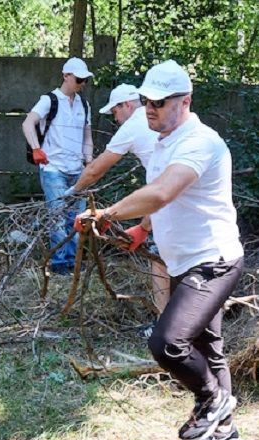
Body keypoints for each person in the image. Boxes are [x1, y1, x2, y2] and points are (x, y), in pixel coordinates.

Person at [74, 60, 244, 440]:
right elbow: (166, 201)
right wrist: (142, 228)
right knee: (207, 346)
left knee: (167, 342)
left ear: (185, 101)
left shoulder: (200, 141)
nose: (150, 108)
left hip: (213, 260)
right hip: (185, 259)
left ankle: (213, 400)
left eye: (160, 102)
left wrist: (108, 213)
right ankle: (224, 431)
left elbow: (163, 192)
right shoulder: (166, 142)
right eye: (146, 100)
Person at [70, 83, 171, 318]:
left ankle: (164, 321)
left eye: (115, 112)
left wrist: (73, 192)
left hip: (171, 198)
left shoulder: (135, 123)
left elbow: (96, 169)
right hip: (176, 195)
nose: (115, 119)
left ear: (127, 105)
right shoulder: (162, 124)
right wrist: (145, 226)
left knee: (160, 260)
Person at [22, 56, 94, 274]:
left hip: (77, 170)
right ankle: (61, 264)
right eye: (79, 79)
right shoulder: (49, 100)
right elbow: (28, 123)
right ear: (66, 76)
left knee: (77, 219)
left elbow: (87, 136)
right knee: (56, 217)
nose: (82, 84)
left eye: (85, 81)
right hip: (54, 169)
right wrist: (36, 148)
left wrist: (89, 163)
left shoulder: (84, 104)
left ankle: (74, 262)